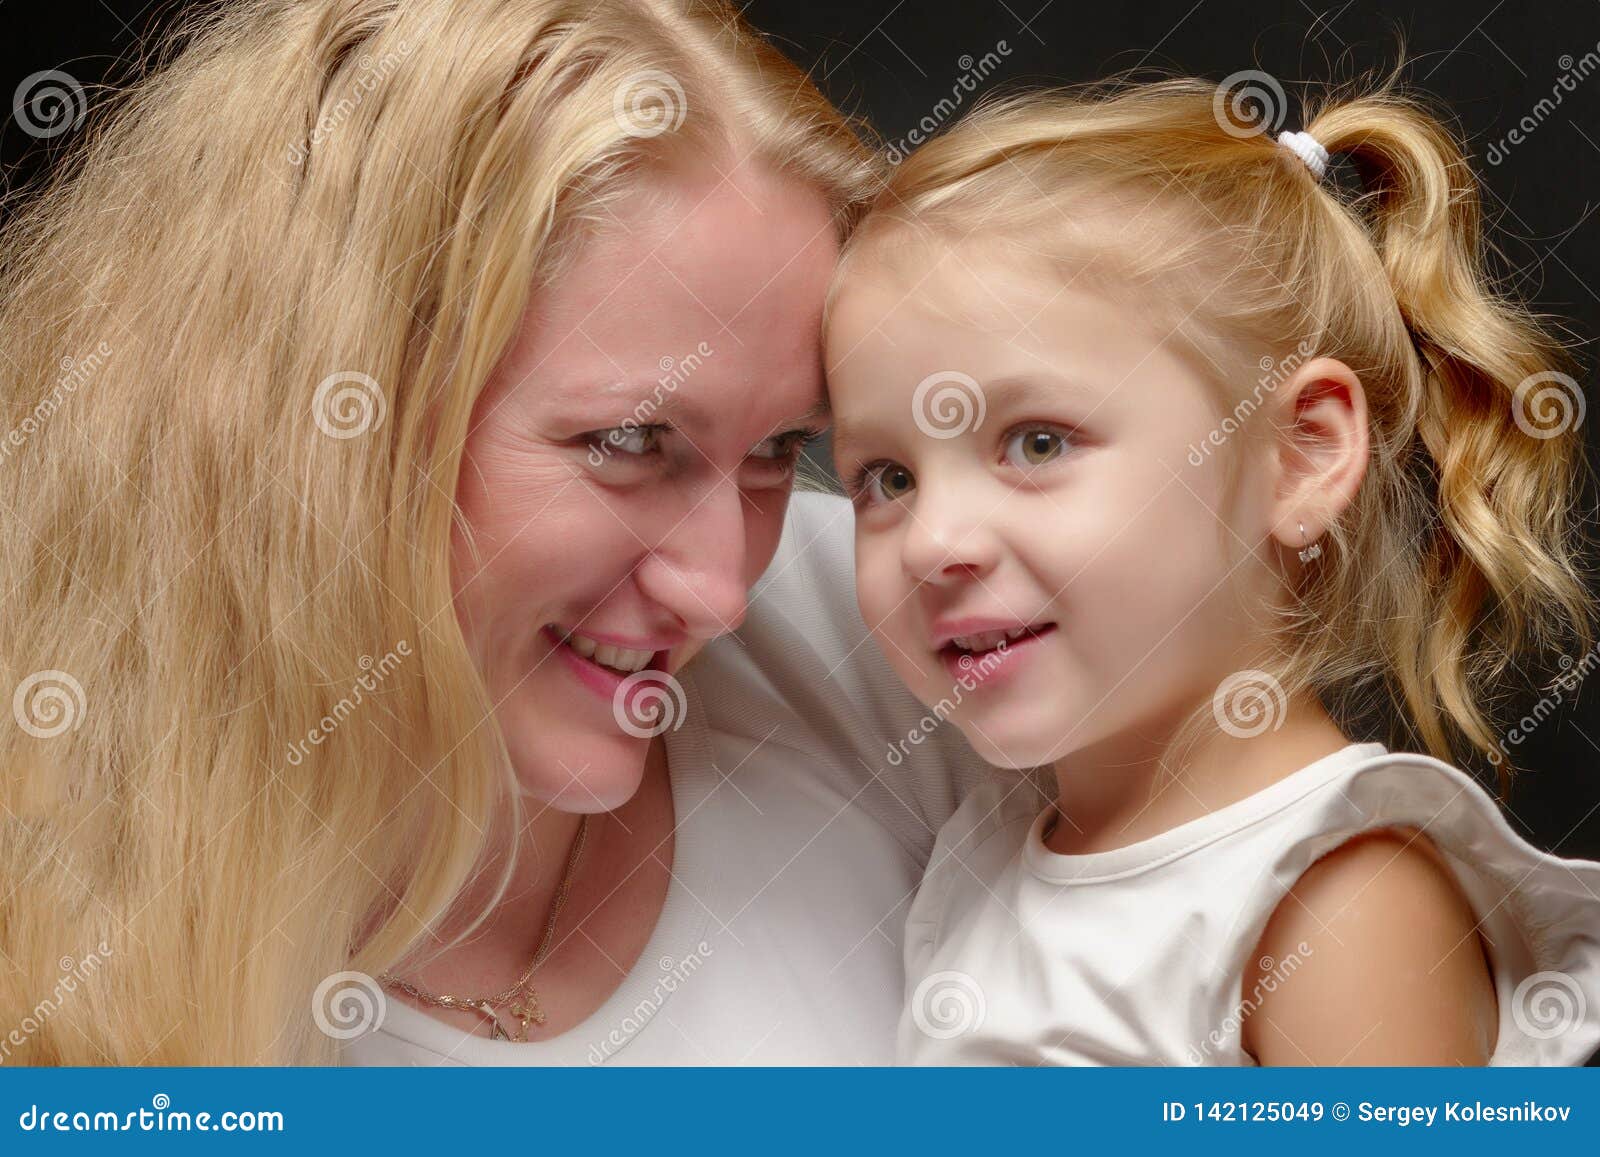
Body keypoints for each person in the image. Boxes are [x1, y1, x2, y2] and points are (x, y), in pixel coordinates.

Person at [0, 0, 986, 1066]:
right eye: (631, 440)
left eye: (774, 451)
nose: (720, 592)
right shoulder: (59, 946)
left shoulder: (903, 627)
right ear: (324, 428)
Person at [823, 76, 1600, 1065]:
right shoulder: (989, 845)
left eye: (1037, 442)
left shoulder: (1334, 899)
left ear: (1300, 454)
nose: (933, 541)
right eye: (884, 475)